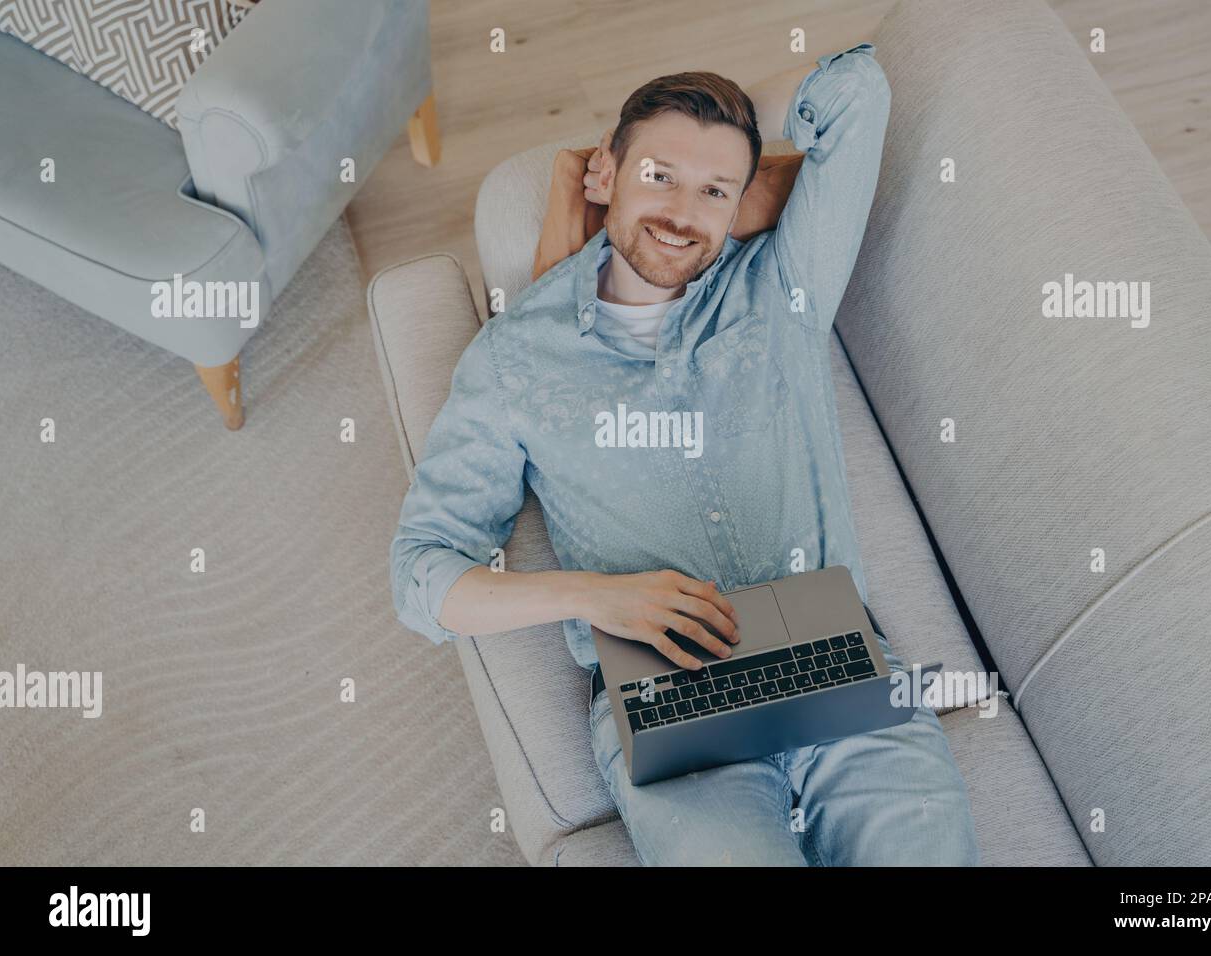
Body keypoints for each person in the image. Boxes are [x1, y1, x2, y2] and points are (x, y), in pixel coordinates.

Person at [390, 41, 980, 866]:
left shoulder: (782, 285)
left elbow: (860, 90)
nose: (678, 214)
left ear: (745, 201)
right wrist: (598, 598)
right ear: (609, 170)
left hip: (838, 667)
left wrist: (722, 146)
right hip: (666, 698)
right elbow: (422, 580)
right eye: (657, 176)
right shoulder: (516, 358)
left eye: (714, 191)